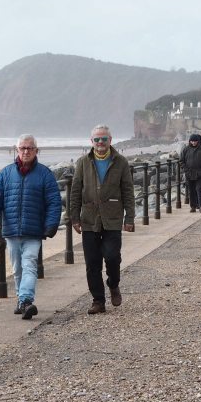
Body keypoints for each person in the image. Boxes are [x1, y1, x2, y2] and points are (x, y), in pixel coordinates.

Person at [0, 134, 62, 320]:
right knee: (17, 268)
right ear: (17, 150)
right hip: (11, 230)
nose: (26, 151)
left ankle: (26, 299)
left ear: (36, 150)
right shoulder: (6, 173)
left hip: (34, 230)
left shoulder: (44, 174)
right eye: (23, 148)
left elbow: (54, 201)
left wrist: (51, 224)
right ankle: (21, 301)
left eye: (30, 148)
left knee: (29, 264)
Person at [68, 124, 136, 314]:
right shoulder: (82, 162)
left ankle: (113, 284)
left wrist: (129, 217)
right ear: (91, 142)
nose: (100, 142)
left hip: (112, 218)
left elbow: (128, 191)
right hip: (89, 219)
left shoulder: (120, 162)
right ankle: (98, 300)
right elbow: (75, 191)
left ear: (110, 141)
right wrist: (74, 217)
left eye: (103, 139)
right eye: (96, 139)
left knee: (113, 257)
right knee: (92, 263)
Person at [181, 134, 201, 212]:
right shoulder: (186, 149)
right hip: (189, 173)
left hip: (200, 173)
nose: (194, 143)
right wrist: (186, 170)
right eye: (192, 141)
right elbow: (182, 161)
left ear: (198, 141)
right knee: (191, 190)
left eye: (195, 141)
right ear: (190, 141)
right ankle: (193, 206)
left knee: (199, 189)